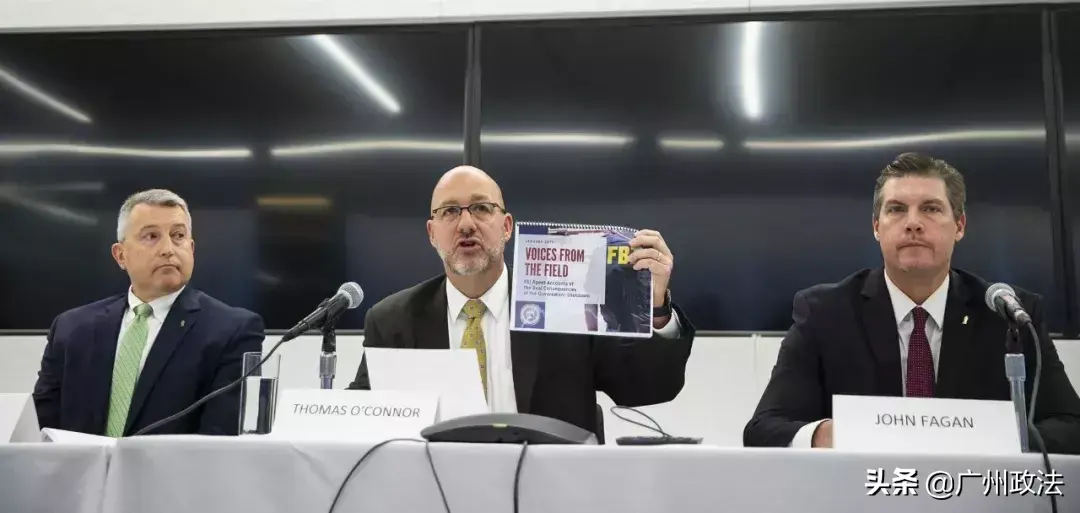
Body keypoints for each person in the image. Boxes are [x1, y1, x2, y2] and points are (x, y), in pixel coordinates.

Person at [743, 153, 1080, 454]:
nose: (913, 223)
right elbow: (764, 430)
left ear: (960, 225)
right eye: (896, 209)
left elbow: (1071, 427)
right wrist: (834, 434)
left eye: (931, 209)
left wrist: (992, 435)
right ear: (877, 227)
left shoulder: (1008, 313)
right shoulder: (824, 312)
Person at [348, 166, 695, 436]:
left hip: (551, 488)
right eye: (450, 211)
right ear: (431, 232)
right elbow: (362, 416)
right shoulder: (393, 320)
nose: (466, 224)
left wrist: (655, 308)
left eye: (481, 208)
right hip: (437, 489)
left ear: (506, 227)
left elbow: (647, 388)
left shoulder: (567, 300)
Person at [32, 189, 265, 437]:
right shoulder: (71, 329)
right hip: (81, 464)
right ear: (121, 255)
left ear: (191, 248)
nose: (168, 249)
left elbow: (221, 439)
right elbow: (39, 429)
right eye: (151, 236)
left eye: (178, 236)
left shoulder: (232, 331)